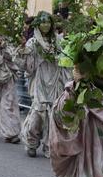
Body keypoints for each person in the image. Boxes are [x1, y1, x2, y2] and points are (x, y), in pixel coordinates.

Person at [21, 12, 68, 159]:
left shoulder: (58, 41)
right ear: (38, 25)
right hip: (40, 80)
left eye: (48, 22)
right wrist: (24, 51)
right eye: (42, 22)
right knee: (38, 113)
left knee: (54, 115)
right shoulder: (33, 42)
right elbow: (28, 66)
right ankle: (32, 142)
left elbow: (65, 59)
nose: (46, 25)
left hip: (55, 80)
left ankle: (50, 145)